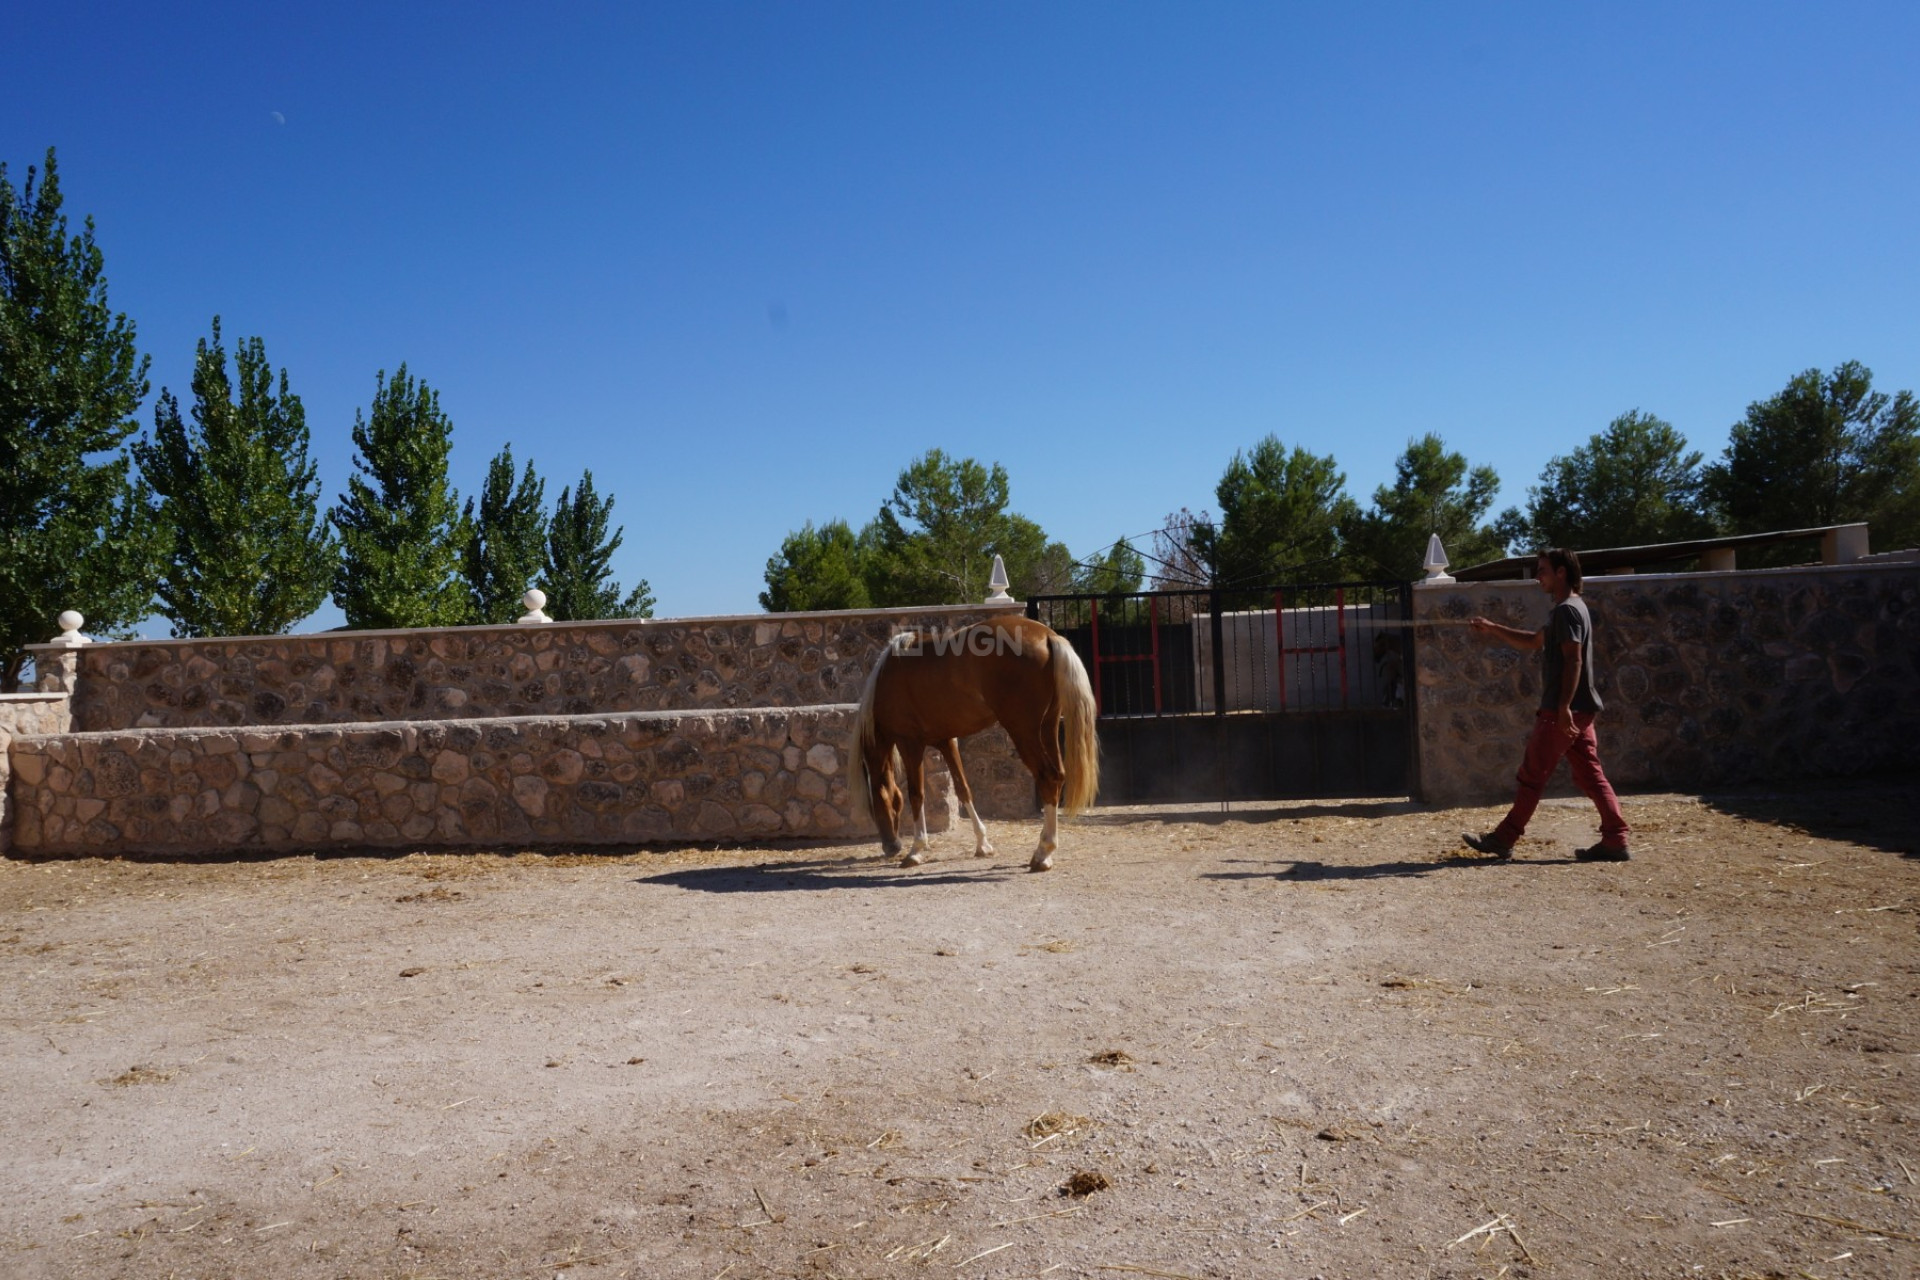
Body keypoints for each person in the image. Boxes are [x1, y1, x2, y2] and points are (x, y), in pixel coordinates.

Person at [1460, 548, 1631, 862]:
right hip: (1580, 710)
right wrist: (1492, 628)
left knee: (1531, 775)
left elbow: (1573, 658)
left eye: (1543, 570)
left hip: (1562, 711)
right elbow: (1533, 641)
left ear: (1561, 572)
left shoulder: (1567, 611)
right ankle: (1615, 839)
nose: (1538, 576)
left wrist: (1563, 706)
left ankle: (1504, 838)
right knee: (1591, 777)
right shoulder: (1570, 609)